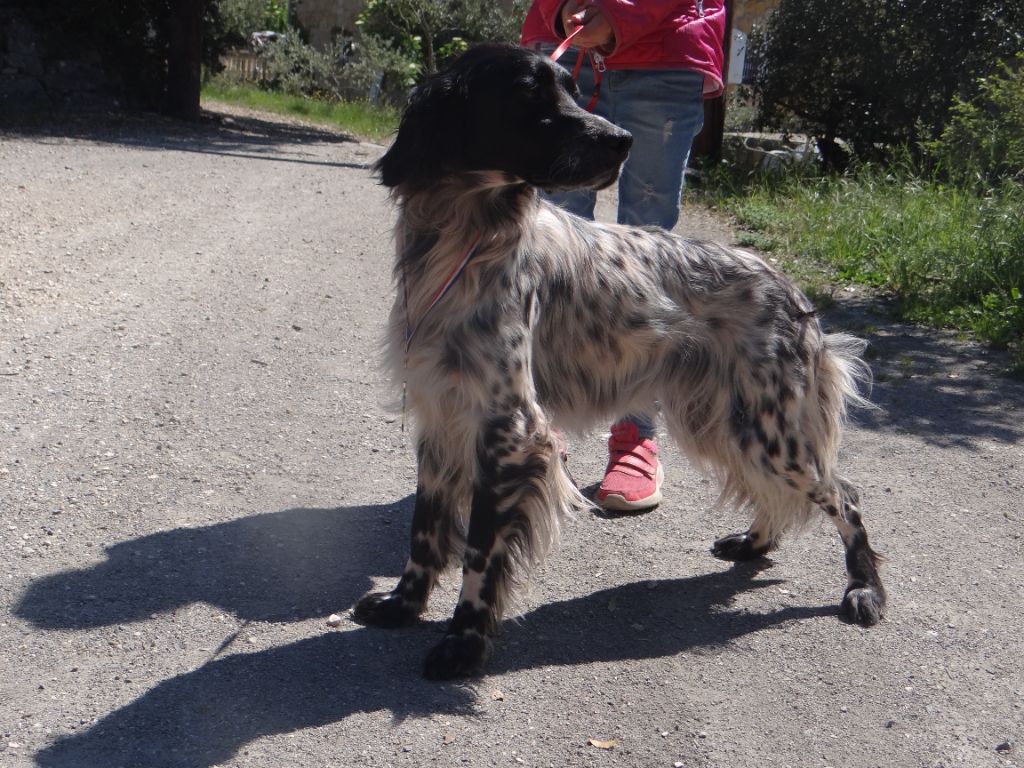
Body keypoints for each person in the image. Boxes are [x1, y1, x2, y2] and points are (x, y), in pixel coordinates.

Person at [521, 0, 726, 511]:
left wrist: (620, 13)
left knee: (646, 261)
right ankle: (542, 426)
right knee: (546, 254)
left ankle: (635, 436)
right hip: (562, 54)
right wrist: (563, 6)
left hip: (665, 51)